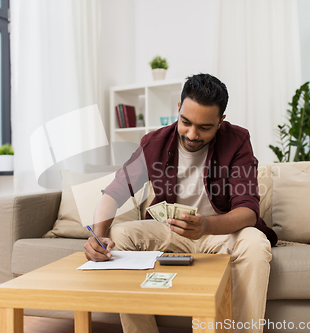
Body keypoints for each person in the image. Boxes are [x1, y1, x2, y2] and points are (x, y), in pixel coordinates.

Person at [84, 73, 277, 333]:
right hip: (170, 231)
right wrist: (97, 237)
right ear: (178, 109)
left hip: (219, 232)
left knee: (254, 242)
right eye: (186, 122)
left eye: (205, 127)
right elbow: (114, 192)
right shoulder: (154, 142)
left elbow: (247, 210)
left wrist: (206, 225)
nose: (192, 134)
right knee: (119, 234)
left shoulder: (237, 140)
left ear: (221, 121)